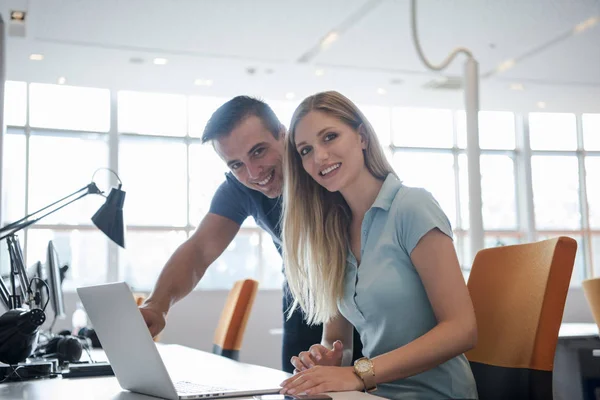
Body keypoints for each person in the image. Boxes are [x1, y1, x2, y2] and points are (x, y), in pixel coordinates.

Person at [138, 96, 363, 373]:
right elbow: (200, 249)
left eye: (258, 151)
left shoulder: (324, 168)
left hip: (362, 299)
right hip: (303, 298)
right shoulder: (239, 187)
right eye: (236, 164)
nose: (254, 173)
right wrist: (156, 305)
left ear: (283, 134)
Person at [278, 91, 478, 399]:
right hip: (372, 395)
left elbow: (462, 329)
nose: (318, 157)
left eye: (329, 137)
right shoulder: (332, 235)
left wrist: (359, 374)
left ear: (362, 137)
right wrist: (329, 359)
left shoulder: (412, 206)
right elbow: (337, 338)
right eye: (305, 150)